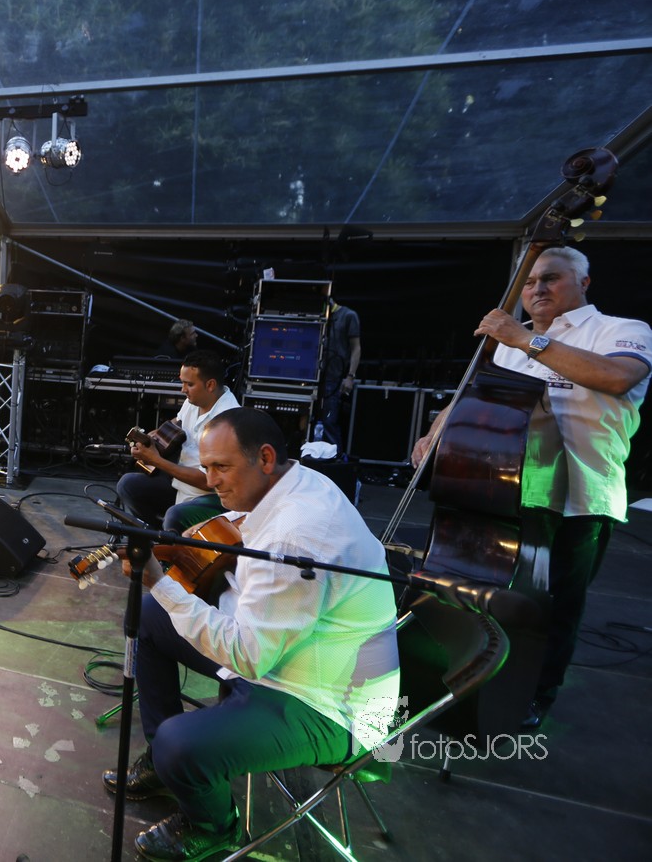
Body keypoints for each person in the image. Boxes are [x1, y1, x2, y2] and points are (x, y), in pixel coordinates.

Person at [105, 408, 399, 860]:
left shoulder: (295, 536)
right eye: (206, 467)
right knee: (151, 615)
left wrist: (161, 582)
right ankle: (169, 766)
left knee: (179, 744)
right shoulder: (296, 482)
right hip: (290, 655)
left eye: (221, 467)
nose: (211, 481)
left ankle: (213, 826)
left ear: (264, 458)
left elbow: (249, 656)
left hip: (326, 701)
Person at [411, 246, 650, 729]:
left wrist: (524, 339)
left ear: (584, 282)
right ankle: (467, 679)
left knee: (553, 605)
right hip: (503, 489)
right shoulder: (507, 341)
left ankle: (535, 695)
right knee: (481, 594)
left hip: (580, 497)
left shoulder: (621, 330)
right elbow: (477, 397)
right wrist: (436, 432)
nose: (537, 289)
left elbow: (616, 377)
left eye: (551, 278)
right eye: (529, 281)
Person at [116, 349, 241, 532]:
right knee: (128, 485)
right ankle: (153, 537)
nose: (183, 390)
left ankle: (167, 540)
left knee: (174, 515)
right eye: (182, 382)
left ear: (210, 385)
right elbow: (177, 422)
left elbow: (208, 481)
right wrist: (152, 437)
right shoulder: (194, 401)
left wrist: (156, 460)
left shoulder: (227, 421)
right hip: (179, 483)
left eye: (189, 384)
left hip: (208, 495)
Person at [317, 297, 361, 447]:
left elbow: (356, 348)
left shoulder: (348, 316)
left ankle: (334, 455)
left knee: (329, 421)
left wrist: (350, 376)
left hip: (334, 377)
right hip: (314, 376)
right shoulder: (317, 315)